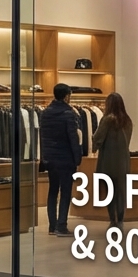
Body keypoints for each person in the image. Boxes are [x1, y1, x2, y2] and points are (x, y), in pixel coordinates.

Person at [39, 83, 82, 237]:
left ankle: (52, 225)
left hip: (50, 158)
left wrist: (43, 157)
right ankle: (61, 225)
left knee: (52, 190)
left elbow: (42, 137)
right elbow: (73, 138)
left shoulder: (45, 113)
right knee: (65, 192)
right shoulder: (68, 114)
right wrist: (77, 158)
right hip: (65, 158)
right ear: (66, 96)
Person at [93, 92, 133, 229]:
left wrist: (93, 147)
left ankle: (112, 219)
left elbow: (98, 138)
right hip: (123, 160)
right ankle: (120, 218)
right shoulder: (127, 120)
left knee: (109, 190)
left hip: (108, 160)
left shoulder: (107, 120)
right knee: (121, 191)